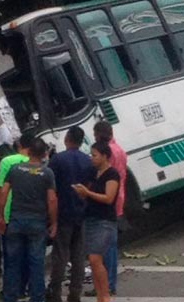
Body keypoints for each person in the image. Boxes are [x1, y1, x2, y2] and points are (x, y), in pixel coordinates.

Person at [0, 138, 58, 302]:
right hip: (37, 224)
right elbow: (52, 200)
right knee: (36, 262)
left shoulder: (14, 169)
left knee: (12, 262)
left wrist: (1, 217)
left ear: (29, 152)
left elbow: (3, 194)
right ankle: (37, 297)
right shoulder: (47, 173)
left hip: (16, 221)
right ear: (44, 154)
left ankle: (10, 297)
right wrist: (53, 222)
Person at [47, 127, 93, 302]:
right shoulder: (88, 161)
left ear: (67, 139)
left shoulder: (57, 160)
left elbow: (51, 189)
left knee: (60, 254)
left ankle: (56, 292)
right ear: (81, 142)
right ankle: (75, 293)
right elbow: (89, 186)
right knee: (79, 256)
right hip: (81, 213)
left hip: (62, 213)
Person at [72, 142, 120, 302]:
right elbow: (90, 193)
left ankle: (106, 294)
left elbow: (108, 198)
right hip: (90, 218)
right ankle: (100, 295)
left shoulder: (112, 174)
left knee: (95, 258)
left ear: (105, 156)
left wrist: (88, 193)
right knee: (93, 260)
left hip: (105, 221)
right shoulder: (94, 173)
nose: (92, 158)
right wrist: (82, 193)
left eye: (94, 155)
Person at [0, 134, 33, 298]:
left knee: (11, 257)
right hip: (32, 215)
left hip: (10, 215)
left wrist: (0, 214)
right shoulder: (38, 163)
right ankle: (25, 289)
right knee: (28, 255)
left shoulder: (7, 162)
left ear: (19, 145)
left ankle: (10, 292)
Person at [91, 121, 127, 296]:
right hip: (118, 197)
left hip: (107, 200)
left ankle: (108, 284)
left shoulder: (108, 154)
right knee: (111, 244)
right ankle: (109, 283)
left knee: (105, 248)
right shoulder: (120, 149)